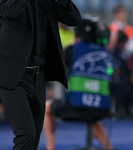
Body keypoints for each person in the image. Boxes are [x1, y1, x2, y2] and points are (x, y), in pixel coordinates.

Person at [0, 0, 81, 149]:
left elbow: (74, 19)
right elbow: (10, 11)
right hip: (11, 75)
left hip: (38, 76)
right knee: (26, 135)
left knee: (34, 138)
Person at [43, 19, 115, 150]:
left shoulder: (72, 49)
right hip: (103, 108)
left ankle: (50, 148)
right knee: (93, 118)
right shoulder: (106, 53)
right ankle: (109, 147)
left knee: (46, 108)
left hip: (76, 106)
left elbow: (55, 69)